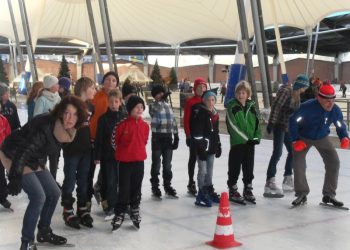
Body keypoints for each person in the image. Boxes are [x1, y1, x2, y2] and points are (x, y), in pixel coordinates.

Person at [0, 96, 87, 250]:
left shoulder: (68, 130)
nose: (69, 118)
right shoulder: (46, 125)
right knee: (38, 196)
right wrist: (15, 176)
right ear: (60, 112)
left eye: (74, 114)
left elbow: (42, 148)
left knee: (54, 192)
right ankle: (27, 242)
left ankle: (44, 231)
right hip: (14, 154)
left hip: (33, 158)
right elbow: (24, 150)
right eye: (66, 113)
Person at [289, 84, 349, 207]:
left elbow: (340, 125)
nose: (330, 103)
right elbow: (293, 121)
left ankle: (329, 194)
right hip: (303, 137)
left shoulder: (335, 110)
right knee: (298, 163)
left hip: (322, 137)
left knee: (334, 161)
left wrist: (344, 137)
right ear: (319, 98)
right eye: (327, 101)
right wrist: (295, 140)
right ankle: (301, 193)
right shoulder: (307, 108)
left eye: (333, 100)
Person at [264, 74, 309, 198]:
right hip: (278, 125)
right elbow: (276, 107)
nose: (304, 90)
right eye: (304, 87)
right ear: (300, 85)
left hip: (288, 128)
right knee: (277, 153)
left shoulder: (297, 96)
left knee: (293, 151)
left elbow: (295, 114)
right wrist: (271, 123)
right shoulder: (286, 91)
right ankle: (269, 182)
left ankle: (287, 178)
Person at [61, 77, 96, 229]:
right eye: (92, 87)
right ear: (84, 88)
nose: (95, 90)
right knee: (69, 181)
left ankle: (82, 208)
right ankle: (67, 209)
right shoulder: (70, 104)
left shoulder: (91, 106)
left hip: (86, 149)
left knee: (83, 181)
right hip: (72, 149)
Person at [111, 95, 149, 231]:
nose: (139, 109)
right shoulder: (122, 125)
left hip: (139, 161)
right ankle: (120, 212)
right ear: (129, 109)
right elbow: (114, 142)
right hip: (125, 162)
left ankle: (134, 208)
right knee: (124, 188)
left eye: (141, 107)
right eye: (136, 107)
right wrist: (123, 153)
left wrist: (137, 152)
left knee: (136, 187)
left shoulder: (145, 126)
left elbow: (145, 141)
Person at [226, 81, 261, 204]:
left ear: (247, 94)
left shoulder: (251, 107)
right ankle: (233, 189)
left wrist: (256, 138)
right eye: (239, 93)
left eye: (243, 93)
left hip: (250, 144)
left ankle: (247, 189)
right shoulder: (232, 106)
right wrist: (246, 138)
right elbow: (232, 125)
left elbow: (257, 123)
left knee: (248, 167)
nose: (241, 95)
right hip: (238, 143)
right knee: (234, 166)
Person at [94, 89, 127, 220]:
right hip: (108, 156)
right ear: (108, 102)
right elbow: (99, 138)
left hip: (122, 156)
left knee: (122, 181)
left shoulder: (124, 118)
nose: (113, 104)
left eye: (116, 101)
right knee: (111, 181)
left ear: (120, 102)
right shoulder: (103, 119)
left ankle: (123, 205)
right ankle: (110, 206)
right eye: (111, 102)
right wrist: (97, 155)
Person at [88, 71, 119, 207]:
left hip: (110, 144)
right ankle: (87, 198)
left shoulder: (118, 99)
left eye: (113, 80)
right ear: (103, 81)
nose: (110, 83)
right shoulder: (96, 96)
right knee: (90, 170)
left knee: (108, 173)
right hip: (93, 137)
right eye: (108, 80)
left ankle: (105, 197)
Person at [190, 90, 221, 207]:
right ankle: (201, 192)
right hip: (202, 149)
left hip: (211, 148)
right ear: (204, 101)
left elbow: (216, 132)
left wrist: (218, 145)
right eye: (208, 100)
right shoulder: (200, 113)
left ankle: (209, 188)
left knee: (210, 171)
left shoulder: (215, 114)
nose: (211, 102)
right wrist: (201, 149)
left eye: (213, 100)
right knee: (202, 170)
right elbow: (197, 134)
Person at [149, 85, 179, 199]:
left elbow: (173, 121)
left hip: (167, 138)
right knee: (156, 165)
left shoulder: (168, 106)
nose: (161, 95)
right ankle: (155, 186)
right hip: (157, 139)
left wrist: (176, 136)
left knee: (167, 165)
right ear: (154, 96)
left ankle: (167, 185)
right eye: (158, 94)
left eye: (162, 93)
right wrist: (161, 100)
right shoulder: (152, 106)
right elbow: (155, 110)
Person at [33, 75, 62, 181]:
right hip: (44, 135)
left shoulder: (58, 97)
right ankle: (43, 180)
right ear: (50, 86)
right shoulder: (42, 99)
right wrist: (49, 116)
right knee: (43, 160)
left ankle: (53, 180)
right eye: (56, 84)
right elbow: (36, 117)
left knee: (54, 159)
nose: (58, 85)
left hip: (55, 134)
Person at [183, 77, 207, 196]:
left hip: (204, 137)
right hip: (193, 136)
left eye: (203, 87)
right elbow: (186, 120)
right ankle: (191, 181)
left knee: (203, 160)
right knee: (193, 158)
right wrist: (188, 135)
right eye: (199, 87)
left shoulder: (206, 101)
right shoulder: (190, 102)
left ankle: (203, 183)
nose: (201, 89)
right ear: (195, 88)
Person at [0, 113, 11, 210]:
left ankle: (2, 197)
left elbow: (8, 136)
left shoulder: (3, 120)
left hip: (1, 152)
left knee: (1, 175)